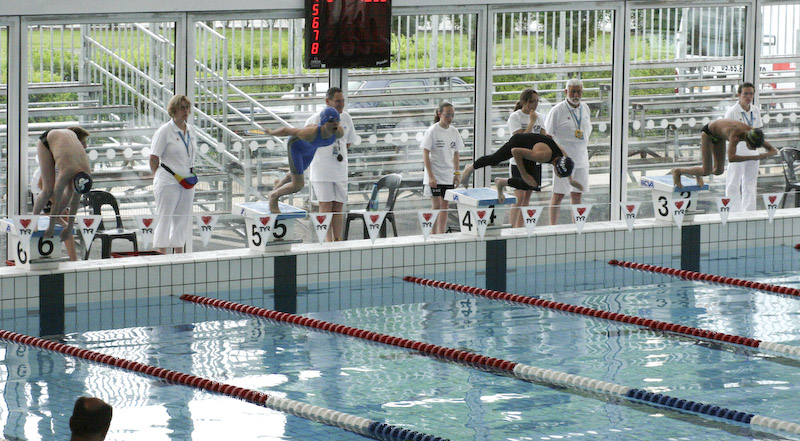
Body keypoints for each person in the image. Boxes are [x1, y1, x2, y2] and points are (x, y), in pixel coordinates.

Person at [461, 133, 579, 205]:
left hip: (530, 148)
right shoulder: (543, 156)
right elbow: (515, 151)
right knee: (494, 160)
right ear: (557, 169)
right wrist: (524, 174)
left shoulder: (563, 156)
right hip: (518, 143)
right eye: (560, 175)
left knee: (533, 184)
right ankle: (470, 168)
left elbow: (565, 166)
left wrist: (571, 179)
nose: (559, 177)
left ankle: (502, 182)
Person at [266, 106, 344, 213]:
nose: (335, 123)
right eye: (331, 120)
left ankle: (277, 186)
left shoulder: (339, 132)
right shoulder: (310, 133)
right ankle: (274, 196)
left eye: (337, 120)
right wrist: (271, 132)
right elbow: (286, 130)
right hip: (296, 147)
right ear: (323, 122)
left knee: (296, 173)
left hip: (310, 148)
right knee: (298, 185)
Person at [306, 88, 358, 241]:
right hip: (322, 171)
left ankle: (338, 240)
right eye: (337, 101)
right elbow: (306, 144)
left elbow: (348, 142)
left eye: (343, 101)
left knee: (338, 206)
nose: (341, 104)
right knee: (326, 206)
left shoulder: (346, 118)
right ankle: (327, 241)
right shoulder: (315, 119)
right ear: (327, 102)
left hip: (340, 170)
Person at [149, 95, 198, 254]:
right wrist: (158, 177)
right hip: (168, 180)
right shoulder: (165, 131)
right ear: (174, 110)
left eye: (187, 107)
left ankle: (179, 254)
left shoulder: (191, 130)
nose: (186, 111)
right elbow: (153, 157)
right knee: (165, 217)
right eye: (182, 108)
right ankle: (162, 254)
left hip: (187, 180)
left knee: (182, 218)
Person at [672, 119, 777, 188]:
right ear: (748, 140)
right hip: (708, 133)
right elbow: (731, 158)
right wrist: (756, 157)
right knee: (706, 171)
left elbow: (773, 150)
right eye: (753, 146)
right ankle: (678, 171)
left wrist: (766, 155)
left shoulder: (753, 133)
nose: (754, 149)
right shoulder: (736, 135)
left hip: (719, 135)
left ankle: (697, 173)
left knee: (718, 171)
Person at [544, 78, 591, 225]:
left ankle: (577, 227)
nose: (576, 95)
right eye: (573, 91)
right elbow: (547, 136)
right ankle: (552, 227)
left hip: (582, 159)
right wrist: (555, 160)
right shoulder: (557, 110)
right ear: (566, 91)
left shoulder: (585, 108)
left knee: (577, 195)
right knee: (558, 195)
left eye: (579, 92)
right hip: (563, 160)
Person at [32, 127, 93, 241]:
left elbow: (75, 202)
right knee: (48, 190)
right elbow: (56, 200)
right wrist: (51, 227)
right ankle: (33, 221)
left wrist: (70, 227)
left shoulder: (87, 172)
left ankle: (57, 219)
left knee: (69, 196)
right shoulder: (67, 172)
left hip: (65, 138)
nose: (72, 190)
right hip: (47, 141)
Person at [506, 88, 547, 227]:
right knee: (519, 196)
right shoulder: (515, 117)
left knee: (527, 196)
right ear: (524, 102)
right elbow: (521, 140)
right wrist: (531, 122)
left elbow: (543, 136)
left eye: (537, 101)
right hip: (519, 162)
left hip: (534, 161)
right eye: (532, 101)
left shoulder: (539, 116)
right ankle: (512, 227)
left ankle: (520, 227)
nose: (535, 104)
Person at [422, 102, 463, 234]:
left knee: (445, 205)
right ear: (440, 114)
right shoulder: (432, 131)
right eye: (447, 115)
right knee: (437, 205)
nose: (450, 118)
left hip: (448, 174)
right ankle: (433, 234)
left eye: (452, 115)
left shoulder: (454, 131)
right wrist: (431, 176)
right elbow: (425, 153)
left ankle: (441, 234)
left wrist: (457, 173)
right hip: (435, 174)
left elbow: (456, 154)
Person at [724, 82, 763, 211]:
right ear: (739, 95)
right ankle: (734, 212)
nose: (748, 97)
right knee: (733, 183)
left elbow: (758, 130)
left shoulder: (755, 110)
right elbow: (726, 133)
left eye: (751, 94)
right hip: (737, 152)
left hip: (753, 152)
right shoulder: (732, 112)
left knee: (750, 184)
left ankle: (749, 211)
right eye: (745, 94)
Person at [31, 167, 78, 260]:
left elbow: (73, 195)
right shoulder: (56, 161)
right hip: (41, 188)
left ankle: (73, 259)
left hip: (54, 185)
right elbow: (41, 185)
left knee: (66, 218)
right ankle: (73, 259)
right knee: (64, 217)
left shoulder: (71, 165)